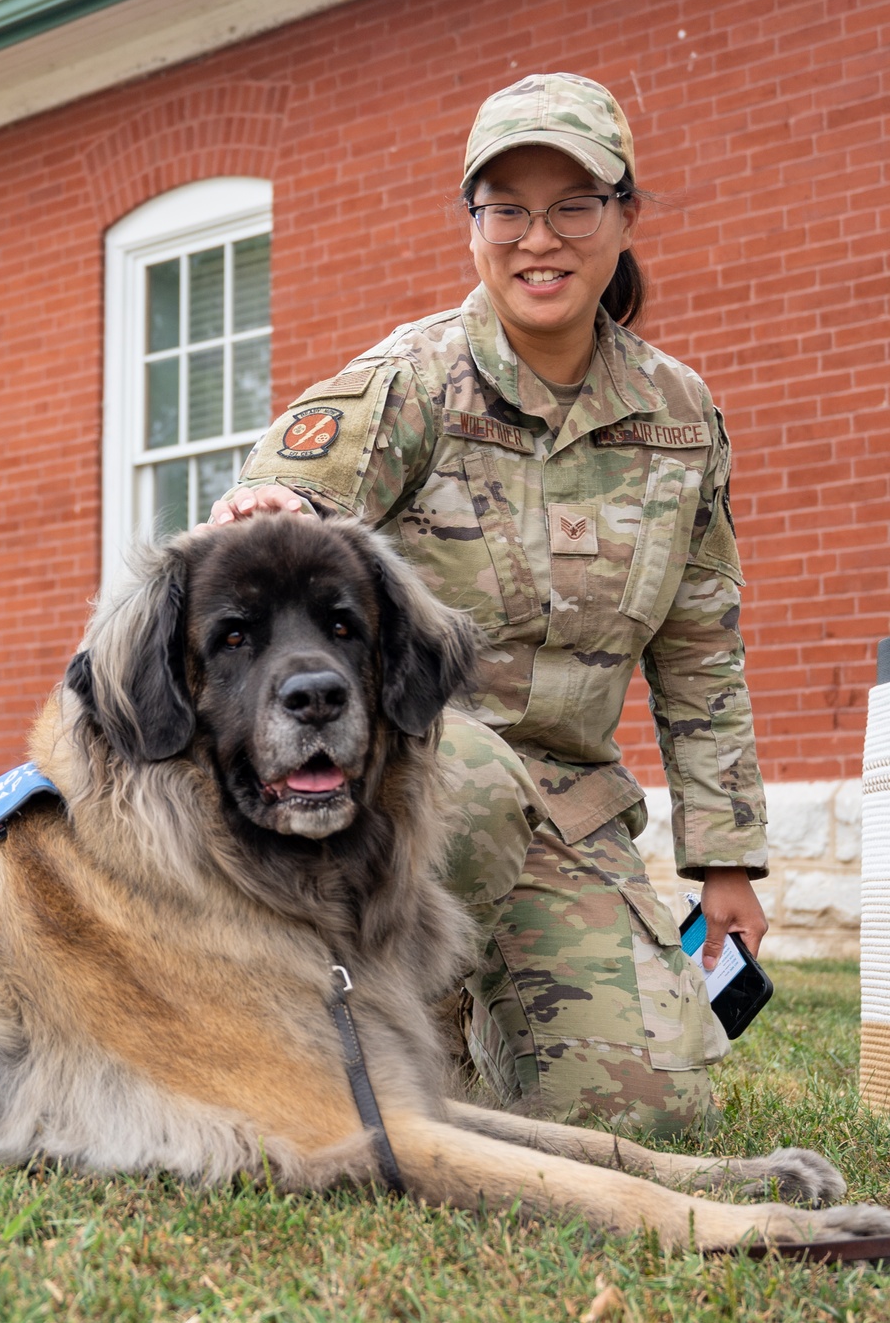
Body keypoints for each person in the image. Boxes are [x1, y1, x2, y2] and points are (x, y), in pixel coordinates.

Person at [207, 72, 768, 1136]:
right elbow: (276, 529)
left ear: (623, 216)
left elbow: (699, 645)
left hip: (572, 813)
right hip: (412, 776)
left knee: (649, 1116)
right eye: (504, 206)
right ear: (473, 224)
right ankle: (390, 1000)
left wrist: (725, 858)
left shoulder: (681, 417)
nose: (536, 237)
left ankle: (479, 1016)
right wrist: (274, 509)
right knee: (468, 779)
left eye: (572, 204)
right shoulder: (407, 386)